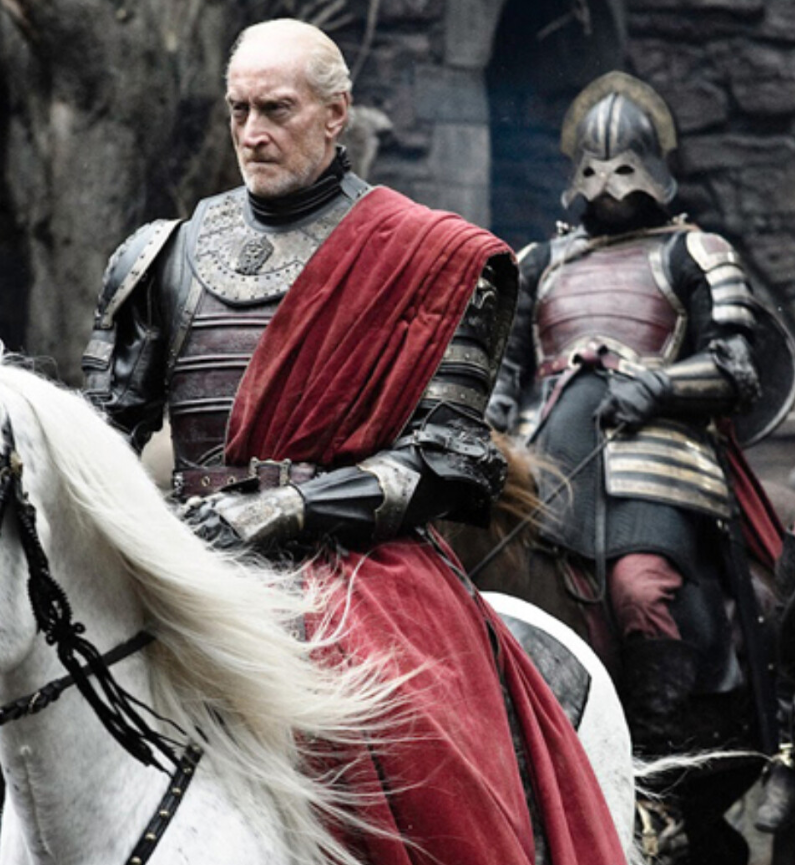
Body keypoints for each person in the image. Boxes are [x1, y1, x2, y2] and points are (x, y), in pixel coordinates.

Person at [83, 18, 625, 865]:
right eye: (238, 111)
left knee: (407, 738)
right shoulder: (161, 255)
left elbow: (449, 458)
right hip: (185, 548)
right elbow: (98, 440)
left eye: (277, 110)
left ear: (336, 114)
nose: (252, 134)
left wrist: (284, 510)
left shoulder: (434, 258)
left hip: (354, 561)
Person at [486, 70, 790, 861]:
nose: (609, 183)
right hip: (547, 457)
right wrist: (491, 434)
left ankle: (657, 766)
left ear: (654, 166)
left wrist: (658, 384)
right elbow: (505, 370)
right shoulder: (540, 260)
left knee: (639, 588)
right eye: (596, 168)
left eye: (624, 166)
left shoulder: (695, 251)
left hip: (657, 460)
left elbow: (738, 369)